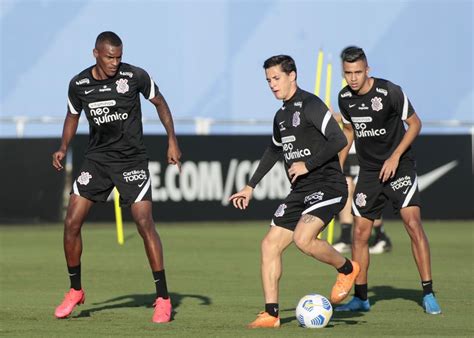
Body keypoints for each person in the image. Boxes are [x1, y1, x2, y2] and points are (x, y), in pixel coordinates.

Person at [51, 31, 181, 323]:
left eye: (119, 57)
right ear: (95, 53)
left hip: (131, 160)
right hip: (97, 160)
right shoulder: (79, 84)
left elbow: (160, 102)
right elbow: (72, 115)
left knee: (144, 223)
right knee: (71, 222)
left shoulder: (135, 76)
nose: (115, 63)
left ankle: (162, 297)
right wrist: (63, 147)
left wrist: (172, 139)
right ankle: (75, 291)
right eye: (110, 57)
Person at [229, 55, 360, 328]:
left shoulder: (311, 104)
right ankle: (271, 314)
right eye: (268, 80)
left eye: (276, 78)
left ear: (292, 75)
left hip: (328, 185)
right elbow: (274, 150)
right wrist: (250, 186)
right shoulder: (281, 115)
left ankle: (347, 269)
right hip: (300, 190)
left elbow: (338, 138)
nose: (272, 85)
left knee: (303, 238)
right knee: (269, 245)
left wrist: (307, 164)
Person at [335, 46, 441, 314]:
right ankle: (361, 298)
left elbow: (415, 124)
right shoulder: (344, 98)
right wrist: (336, 165)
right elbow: (349, 131)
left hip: (400, 167)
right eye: (348, 73)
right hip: (369, 173)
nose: (354, 78)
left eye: (358, 72)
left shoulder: (389, 91)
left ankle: (428, 292)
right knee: (359, 233)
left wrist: (394, 157)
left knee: (413, 224)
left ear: (367, 69)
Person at [332, 112, 392, 255]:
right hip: (346, 150)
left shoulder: (370, 94)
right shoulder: (345, 96)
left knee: (365, 195)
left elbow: (365, 114)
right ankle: (346, 238)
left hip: (363, 151)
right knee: (345, 189)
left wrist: (339, 117)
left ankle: (380, 236)